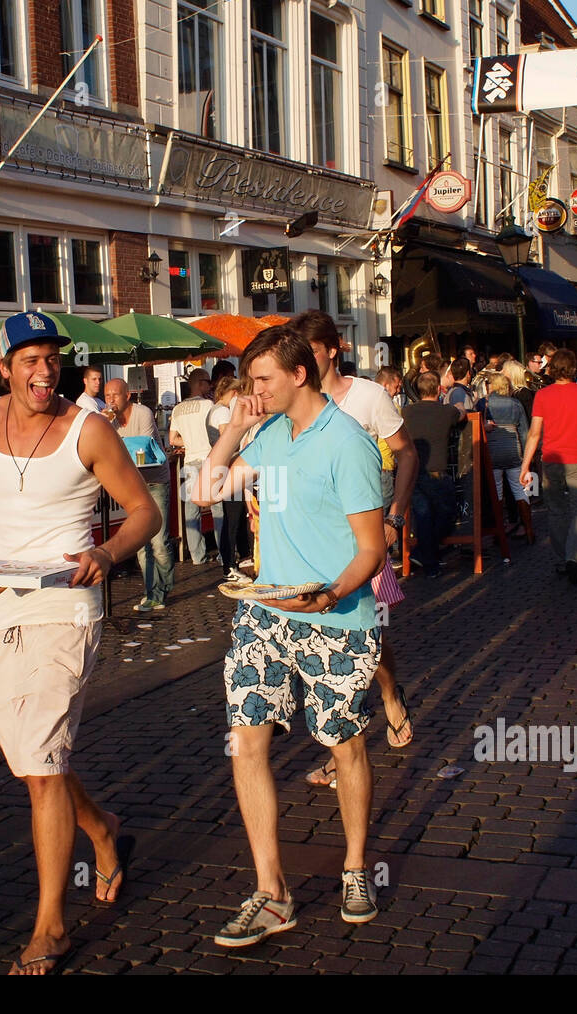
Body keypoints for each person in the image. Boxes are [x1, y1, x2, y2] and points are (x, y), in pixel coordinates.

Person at [0, 312, 161, 975]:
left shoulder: (88, 429)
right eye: (31, 360)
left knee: (40, 762)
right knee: (27, 752)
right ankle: (101, 827)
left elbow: (146, 510)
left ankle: (50, 925)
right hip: (8, 602)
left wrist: (106, 552)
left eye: (53, 359)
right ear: (4, 365)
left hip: (69, 607)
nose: (45, 372)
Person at [192, 325, 386, 945]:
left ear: (299, 373)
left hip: (333, 620)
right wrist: (231, 432)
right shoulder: (271, 435)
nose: (254, 391)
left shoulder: (348, 444)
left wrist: (328, 594)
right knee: (246, 743)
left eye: (263, 379)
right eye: (251, 380)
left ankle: (356, 866)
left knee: (343, 745)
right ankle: (272, 891)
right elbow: (207, 489)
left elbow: (372, 550)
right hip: (265, 614)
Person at [291, 309, 419, 788]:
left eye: (311, 350)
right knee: (321, 642)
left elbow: (407, 452)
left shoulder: (368, 396)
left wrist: (395, 517)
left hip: (363, 537)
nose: (303, 360)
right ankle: (340, 747)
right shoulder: (296, 403)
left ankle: (387, 697)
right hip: (312, 541)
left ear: (332, 349)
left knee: (362, 635)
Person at [519, 349, 577, 586]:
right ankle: (573, 556)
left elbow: (535, 434)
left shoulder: (543, 395)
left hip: (552, 459)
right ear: (573, 369)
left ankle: (561, 556)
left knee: (556, 510)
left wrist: (525, 466)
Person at [103, 377, 174, 611]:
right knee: (141, 543)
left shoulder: (142, 413)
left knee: (159, 542)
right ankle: (152, 592)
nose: (110, 400)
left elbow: (142, 447)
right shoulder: (107, 422)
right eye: (107, 396)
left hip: (155, 481)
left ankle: (163, 588)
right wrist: (102, 428)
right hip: (134, 487)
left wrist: (113, 441)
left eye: (115, 395)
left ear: (127, 396)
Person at [403, 372, 462, 573]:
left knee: (424, 517)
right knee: (448, 513)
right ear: (438, 389)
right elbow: (460, 414)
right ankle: (424, 555)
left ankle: (428, 562)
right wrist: (460, 406)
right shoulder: (446, 411)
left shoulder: (407, 412)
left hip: (413, 471)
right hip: (437, 471)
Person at [169, 368, 216, 563]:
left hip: (189, 461)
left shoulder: (177, 409)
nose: (210, 385)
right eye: (208, 381)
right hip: (209, 459)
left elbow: (173, 439)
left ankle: (197, 556)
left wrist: (188, 441)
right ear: (199, 384)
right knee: (217, 508)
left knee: (191, 510)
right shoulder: (208, 405)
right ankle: (224, 554)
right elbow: (216, 433)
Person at [206, 375, 251, 580]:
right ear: (234, 393)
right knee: (232, 520)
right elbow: (228, 440)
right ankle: (229, 565)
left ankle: (238, 559)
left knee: (234, 518)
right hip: (228, 468)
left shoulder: (213, 410)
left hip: (223, 468)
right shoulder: (223, 412)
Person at [482, 373, 534, 544]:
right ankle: (529, 530)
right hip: (513, 450)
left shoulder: (484, 403)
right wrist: (528, 457)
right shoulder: (515, 403)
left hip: (493, 451)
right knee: (520, 491)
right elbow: (525, 433)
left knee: (497, 493)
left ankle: (499, 533)